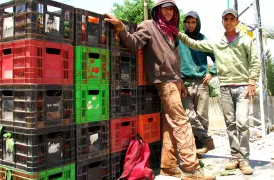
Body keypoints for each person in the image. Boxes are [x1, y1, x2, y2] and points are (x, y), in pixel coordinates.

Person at [104, 1, 216, 179]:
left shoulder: (171, 31)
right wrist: (121, 27)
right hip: (164, 82)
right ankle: (191, 169)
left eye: (172, 8)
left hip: (175, 81)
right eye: (165, 8)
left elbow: (175, 60)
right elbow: (134, 44)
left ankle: (168, 165)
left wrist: (180, 82)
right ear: (157, 10)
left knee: (171, 125)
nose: (169, 11)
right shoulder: (149, 26)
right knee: (182, 122)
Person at [178, 8, 261, 175]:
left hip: (243, 87)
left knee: (242, 123)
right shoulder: (217, 42)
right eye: (226, 19)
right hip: (224, 88)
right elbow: (194, 44)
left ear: (237, 22)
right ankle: (234, 157)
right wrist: (177, 33)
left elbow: (254, 61)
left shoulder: (245, 40)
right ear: (222, 21)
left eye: (232, 19)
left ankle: (244, 159)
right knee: (230, 124)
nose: (229, 22)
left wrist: (252, 82)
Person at [179, 11, 216, 155]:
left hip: (202, 84)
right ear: (184, 23)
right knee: (188, 115)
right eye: (188, 22)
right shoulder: (180, 39)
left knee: (202, 117)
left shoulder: (203, 40)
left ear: (198, 23)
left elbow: (217, 58)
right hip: (184, 83)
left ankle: (199, 151)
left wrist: (211, 73)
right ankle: (207, 140)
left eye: (193, 22)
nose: (191, 25)